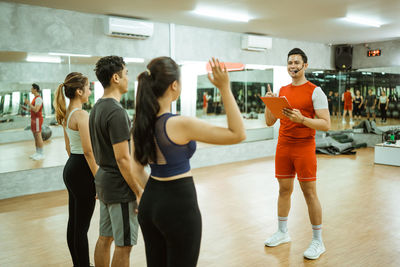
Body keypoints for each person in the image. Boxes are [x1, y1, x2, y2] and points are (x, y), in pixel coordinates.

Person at [132, 57, 245, 267]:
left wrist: (156, 198)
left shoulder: (140, 124)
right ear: (174, 85)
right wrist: (224, 88)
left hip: (150, 203)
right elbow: (237, 133)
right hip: (178, 206)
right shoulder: (179, 123)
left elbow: (135, 168)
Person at [263, 48, 330, 260]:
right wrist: (269, 102)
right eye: (290, 62)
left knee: (309, 193)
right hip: (283, 146)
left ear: (305, 65)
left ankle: (318, 241)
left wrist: (303, 120)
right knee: (284, 190)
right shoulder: (283, 90)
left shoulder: (315, 91)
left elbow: (326, 124)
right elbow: (269, 121)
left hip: (304, 147)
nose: (293, 66)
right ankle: (282, 232)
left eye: (297, 62)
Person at [89, 56, 144, 267]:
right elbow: (122, 158)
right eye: (126, 73)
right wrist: (138, 191)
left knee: (105, 237)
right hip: (119, 186)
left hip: (104, 182)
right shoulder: (116, 112)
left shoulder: (96, 108)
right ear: (115, 78)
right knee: (124, 245)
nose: (128, 78)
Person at [53, 72, 98, 267]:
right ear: (79, 91)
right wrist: (99, 178)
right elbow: (88, 151)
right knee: (82, 228)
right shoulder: (81, 115)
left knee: (74, 223)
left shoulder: (67, 113)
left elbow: (68, 148)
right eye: (88, 87)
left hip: (71, 169)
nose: (90, 91)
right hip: (82, 170)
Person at [24, 83, 45, 160]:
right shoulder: (35, 98)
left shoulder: (38, 98)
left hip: (37, 119)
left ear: (35, 89)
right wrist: (27, 108)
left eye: (32, 89)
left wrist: (28, 104)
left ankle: (41, 154)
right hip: (33, 119)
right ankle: (37, 152)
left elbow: (36, 110)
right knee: (35, 136)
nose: (31, 90)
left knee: (38, 136)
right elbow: (34, 109)